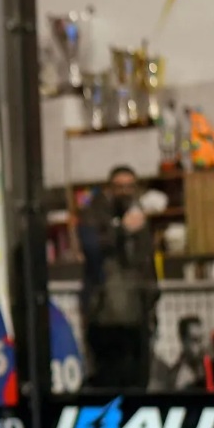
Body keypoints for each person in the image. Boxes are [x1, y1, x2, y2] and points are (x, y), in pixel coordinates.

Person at [77, 165, 160, 390]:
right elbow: (91, 248)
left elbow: (147, 261)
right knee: (109, 383)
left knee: (139, 382)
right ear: (110, 189)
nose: (125, 192)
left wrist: (153, 299)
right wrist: (121, 230)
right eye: (119, 187)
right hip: (105, 319)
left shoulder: (140, 217)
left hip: (138, 316)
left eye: (130, 187)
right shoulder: (93, 212)